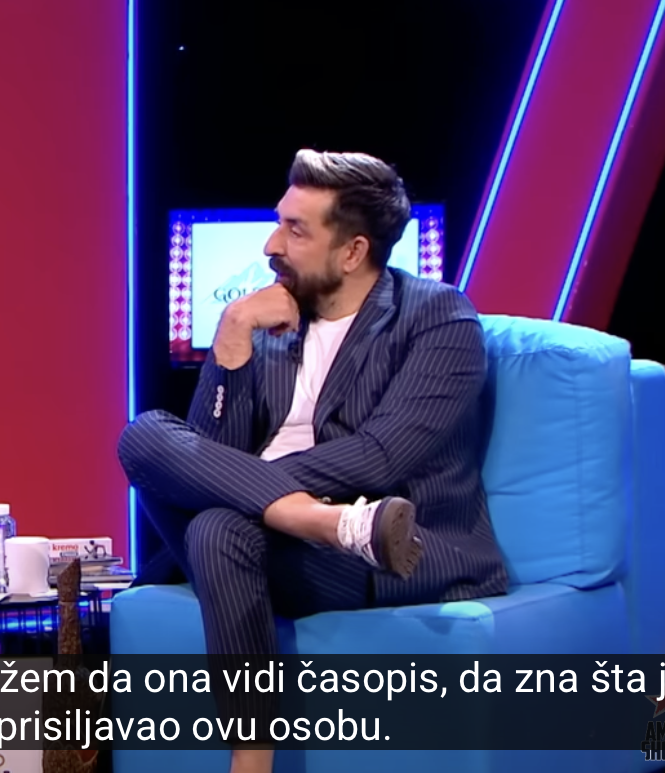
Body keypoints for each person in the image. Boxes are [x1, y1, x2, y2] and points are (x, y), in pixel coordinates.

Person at [117, 150, 507, 773]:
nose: (271, 245)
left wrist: (243, 490)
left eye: (295, 230)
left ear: (352, 252)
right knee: (144, 436)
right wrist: (232, 335)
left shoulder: (438, 317)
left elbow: (383, 455)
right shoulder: (271, 319)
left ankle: (250, 762)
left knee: (214, 522)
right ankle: (325, 523)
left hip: (384, 552)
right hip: (319, 532)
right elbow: (210, 447)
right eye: (279, 222)